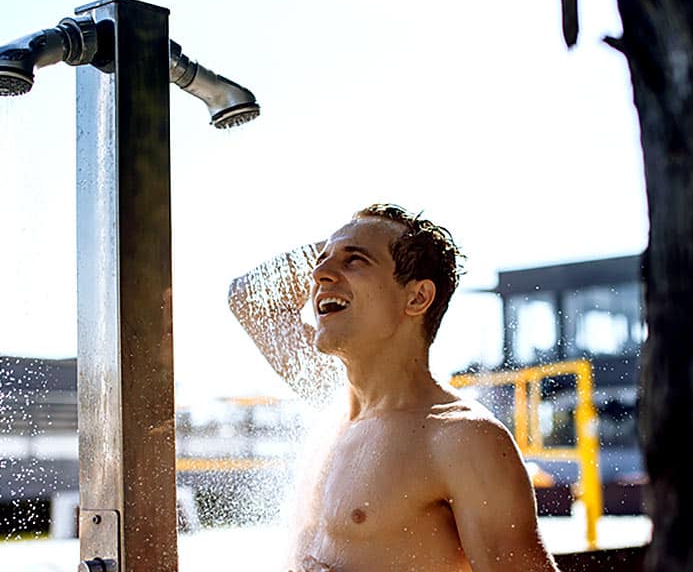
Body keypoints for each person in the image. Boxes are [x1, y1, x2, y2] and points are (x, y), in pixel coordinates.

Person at [228, 204, 560, 571]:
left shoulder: (461, 439)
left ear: (417, 297)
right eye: (322, 262)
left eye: (355, 261)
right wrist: (349, 240)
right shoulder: (332, 407)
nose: (319, 274)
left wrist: (385, 242)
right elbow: (248, 297)